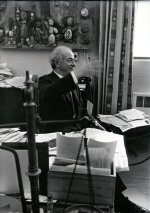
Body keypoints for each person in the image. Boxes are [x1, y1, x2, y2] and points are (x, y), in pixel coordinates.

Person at [39, 45, 101, 133]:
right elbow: (52, 91)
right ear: (57, 63)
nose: (74, 64)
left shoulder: (74, 84)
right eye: (70, 60)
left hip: (76, 133)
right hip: (56, 136)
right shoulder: (44, 81)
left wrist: (93, 121)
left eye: (74, 60)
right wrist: (76, 75)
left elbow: (82, 111)